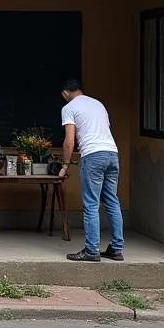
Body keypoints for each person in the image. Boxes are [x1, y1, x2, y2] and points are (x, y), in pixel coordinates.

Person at [58, 79, 125, 263]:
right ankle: (117, 249)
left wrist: (65, 165)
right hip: (112, 153)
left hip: (93, 156)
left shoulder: (69, 107)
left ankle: (91, 250)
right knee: (112, 201)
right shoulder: (98, 104)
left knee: (91, 204)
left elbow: (69, 141)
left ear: (65, 93)